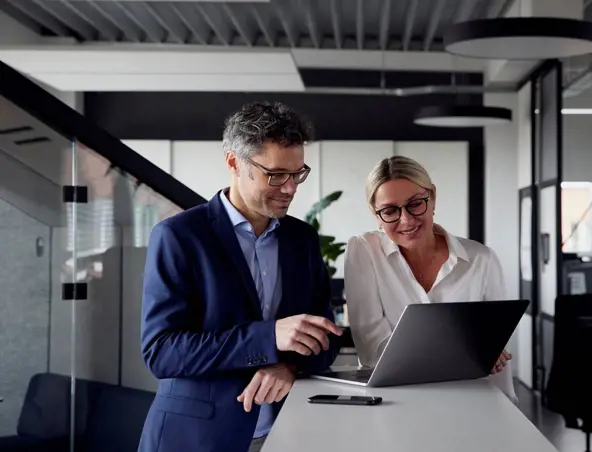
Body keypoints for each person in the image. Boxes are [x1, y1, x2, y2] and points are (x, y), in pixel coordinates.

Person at [137, 101, 343, 452]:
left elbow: (326, 333)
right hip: (195, 439)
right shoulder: (179, 236)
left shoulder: (301, 239)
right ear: (234, 162)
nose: (291, 188)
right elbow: (162, 353)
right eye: (276, 175)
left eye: (297, 174)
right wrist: (269, 339)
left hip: (285, 433)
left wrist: (290, 365)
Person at [343, 155, 518, 404]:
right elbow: (374, 354)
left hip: (471, 404)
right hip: (395, 405)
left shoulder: (481, 260)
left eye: (415, 204)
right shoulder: (364, 251)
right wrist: (466, 356)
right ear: (376, 215)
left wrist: (507, 408)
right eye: (390, 211)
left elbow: (497, 355)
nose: (406, 220)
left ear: (432, 197)